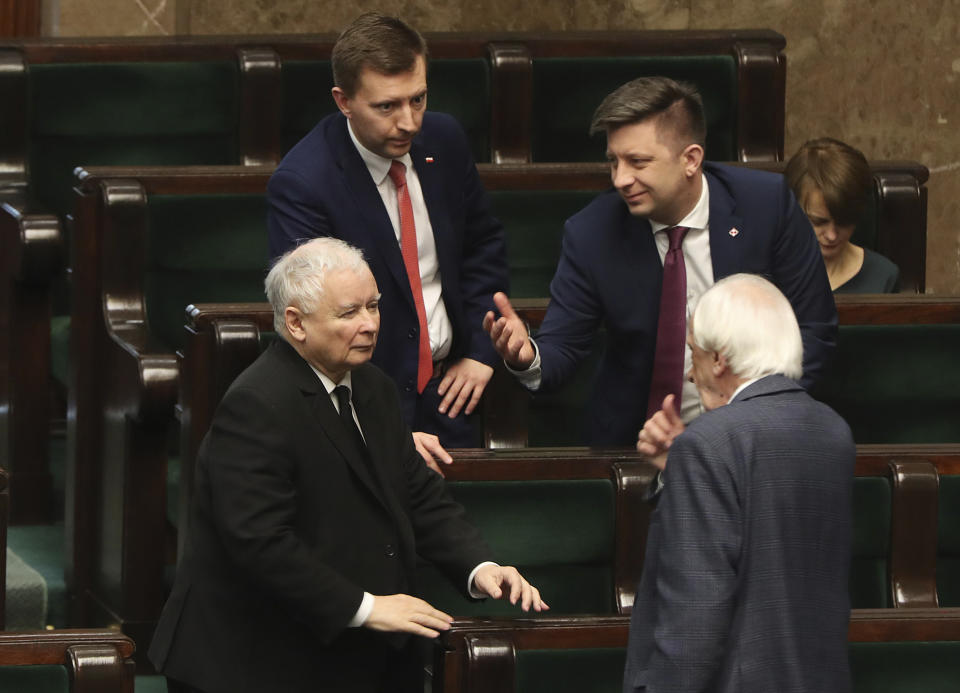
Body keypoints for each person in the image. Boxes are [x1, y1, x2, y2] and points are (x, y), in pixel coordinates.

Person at [149, 238, 545, 693]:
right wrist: (366, 607)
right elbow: (260, 543)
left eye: (373, 307)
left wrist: (479, 566)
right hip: (253, 661)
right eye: (349, 313)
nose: (370, 325)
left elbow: (415, 494)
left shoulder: (372, 386)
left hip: (346, 654)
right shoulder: (256, 404)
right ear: (296, 323)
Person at [484, 76, 837, 446]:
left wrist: (749, 421)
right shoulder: (592, 233)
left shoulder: (766, 207)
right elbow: (564, 346)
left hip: (756, 438)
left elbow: (814, 330)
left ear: (691, 159)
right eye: (613, 162)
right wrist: (527, 357)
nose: (621, 179)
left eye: (638, 162)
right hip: (635, 446)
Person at [268, 13, 507, 468]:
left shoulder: (446, 139)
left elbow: (482, 247)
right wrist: (385, 429)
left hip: (451, 394)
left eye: (417, 99)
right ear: (344, 101)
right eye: (387, 107)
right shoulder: (304, 184)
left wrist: (481, 350)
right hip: (357, 415)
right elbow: (317, 323)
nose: (409, 122)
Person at [623, 273, 854, 693]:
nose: (691, 375)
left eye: (695, 355)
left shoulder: (711, 441)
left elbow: (694, 618)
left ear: (720, 360)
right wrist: (679, 467)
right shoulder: (832, 432)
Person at [785, 137, 899, 293]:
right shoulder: (765, 272)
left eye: (844, 222)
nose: (832, 236)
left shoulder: (883, 275)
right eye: (819, 222)